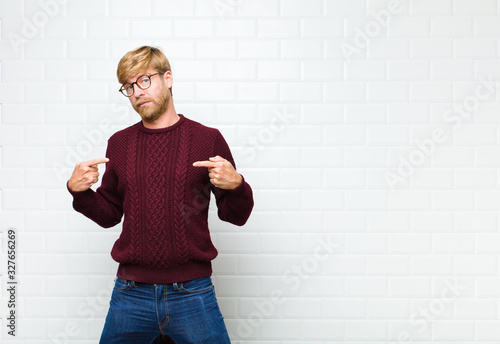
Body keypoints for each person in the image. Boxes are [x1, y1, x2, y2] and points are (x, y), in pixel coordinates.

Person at [66, 46, 254, 344]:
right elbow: (109, 214)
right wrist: (80, 193)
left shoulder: (208, 139)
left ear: (167, 78)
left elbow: (236, 216)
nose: (137, 92)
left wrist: (237, 184)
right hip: (130, 292)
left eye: (144, 80)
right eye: (128, 86)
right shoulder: (118, 143)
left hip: (192, 292)